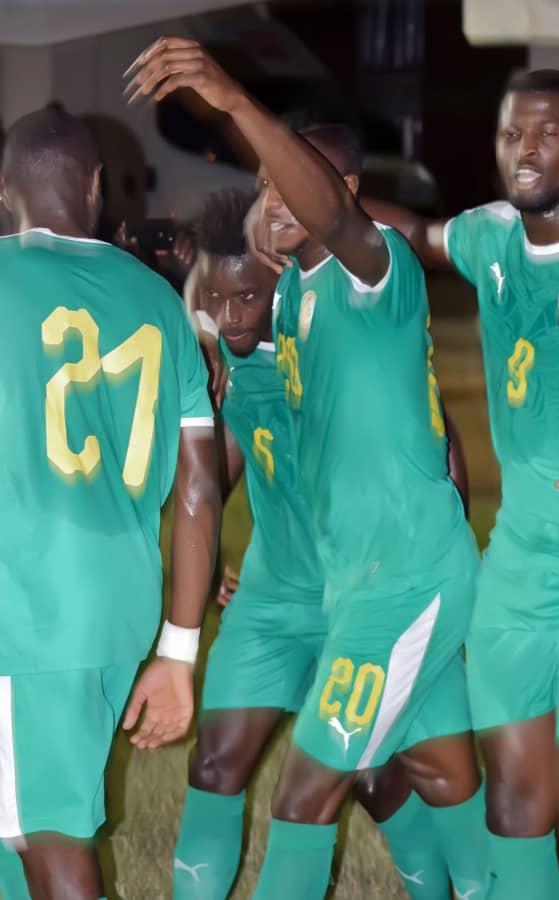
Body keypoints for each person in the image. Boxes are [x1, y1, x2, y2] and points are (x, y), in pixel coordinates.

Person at [125, 38, 490, 900]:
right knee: (446, 787)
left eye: (294, 181)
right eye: (265, 185)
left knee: (310, 792)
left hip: (406, 586)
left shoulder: (375, 272)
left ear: (342, 196)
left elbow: (442, 439)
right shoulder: (289, 301)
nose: (275, 198)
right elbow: (247, 428)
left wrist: (232, 98)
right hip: (344, 586)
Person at [369, 69, 559, 898]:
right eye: (510, 134)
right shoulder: (490, 235)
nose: (525, 149)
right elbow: (407, 234)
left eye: (547, 133)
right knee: (516, 808)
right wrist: (308, 196)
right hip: (517, 572)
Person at [173, 187, 475, 900]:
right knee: (215, 762)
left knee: (399, 775)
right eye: (212, 300)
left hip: (373, 593)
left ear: (285, 276)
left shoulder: (340, 339)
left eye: (244, 296)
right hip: (275, 597)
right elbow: (212, 479)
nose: (228, 316)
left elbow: (440, 449)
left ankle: (468, 885)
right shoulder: (229, 362)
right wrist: (197, 401)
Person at [0, 108, 219, 900]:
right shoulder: (160, 301)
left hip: (27, 617)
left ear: (4, 191)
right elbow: (200, 486)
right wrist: (180, 650)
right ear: (96, 186)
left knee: (51, 842)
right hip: (113, 613)